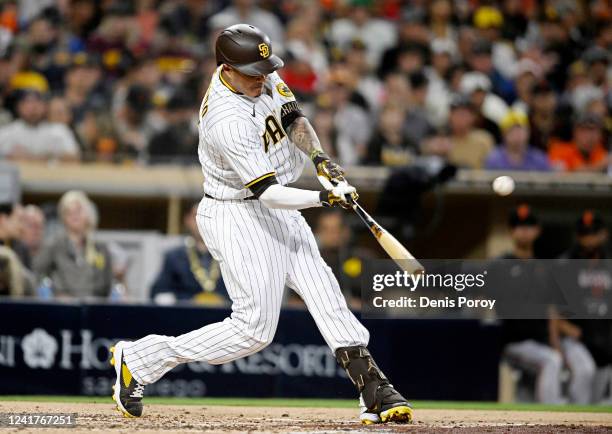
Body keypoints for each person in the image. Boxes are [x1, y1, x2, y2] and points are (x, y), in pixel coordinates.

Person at [110, 24, 412, 426]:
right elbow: (267, 193)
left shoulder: (263, 75)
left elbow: (294, 120)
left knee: (324, 290)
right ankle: (141, 358)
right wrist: (326, 197)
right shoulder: (225, 118)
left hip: (279, 202)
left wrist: (320, 160)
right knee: (254, 330)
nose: (263, 77)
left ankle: (372, 388)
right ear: (227, 68)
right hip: (237, 213)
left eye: (265, 68)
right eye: (253, 72)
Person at [33, 190, 113, 298]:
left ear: (88, 213)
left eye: (78, 211)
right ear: (63, 217)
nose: (74, 216)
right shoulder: (53, 245)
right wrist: (53, 296)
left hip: (94, 306)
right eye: (68, 212)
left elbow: (108, 284)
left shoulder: (100, 248)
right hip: (64, 308)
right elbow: (36, 274)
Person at [150, 202, 227, 305]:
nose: (202, 222)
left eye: (209, 217)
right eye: (197, 216)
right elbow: (158, 292)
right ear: (187, 220)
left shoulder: (230, 257)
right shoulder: (174, 257)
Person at [0, 86, 80, 161]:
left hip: (51, 175)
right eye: (27, 102)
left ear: (45, 106)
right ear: (19, 107)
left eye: (37, 102)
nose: (33, 107)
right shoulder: (7, 132)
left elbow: (75, 157)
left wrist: (35, 157)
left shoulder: (59, 130)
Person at [485, 110, 551, 171]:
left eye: (520, 130)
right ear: (503, 134)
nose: (517, 134)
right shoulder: (494, 159)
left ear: (528, 132)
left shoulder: (539, 158)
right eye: (512, 130)